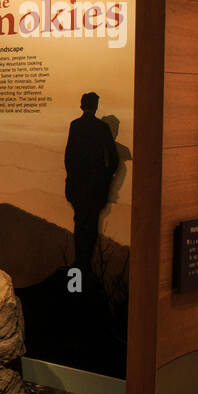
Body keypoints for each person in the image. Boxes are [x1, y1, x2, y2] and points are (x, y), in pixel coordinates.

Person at [64, 91, 120, 275]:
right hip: (96, 186)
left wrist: (73, 176)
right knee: (92, 224)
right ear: (95, 106)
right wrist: (105, 176)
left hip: (78, 186)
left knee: (80, 223)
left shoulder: (75, 126)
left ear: (82, 105)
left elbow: (68, 156)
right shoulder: (102, 128)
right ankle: (85, 262)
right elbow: (113, 158)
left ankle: (80, 261)